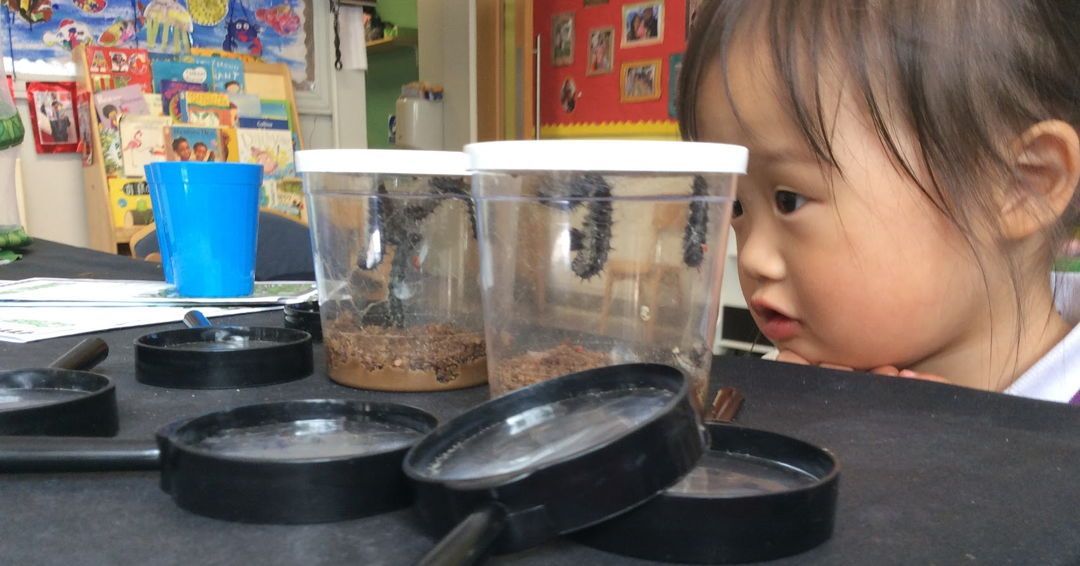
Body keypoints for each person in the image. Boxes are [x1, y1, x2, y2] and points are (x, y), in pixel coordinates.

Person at [678, 0, 1080, 403]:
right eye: (737, 207)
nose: (751, 258)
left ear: (1021, 186)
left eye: (789, 200)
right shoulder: (772, 390)